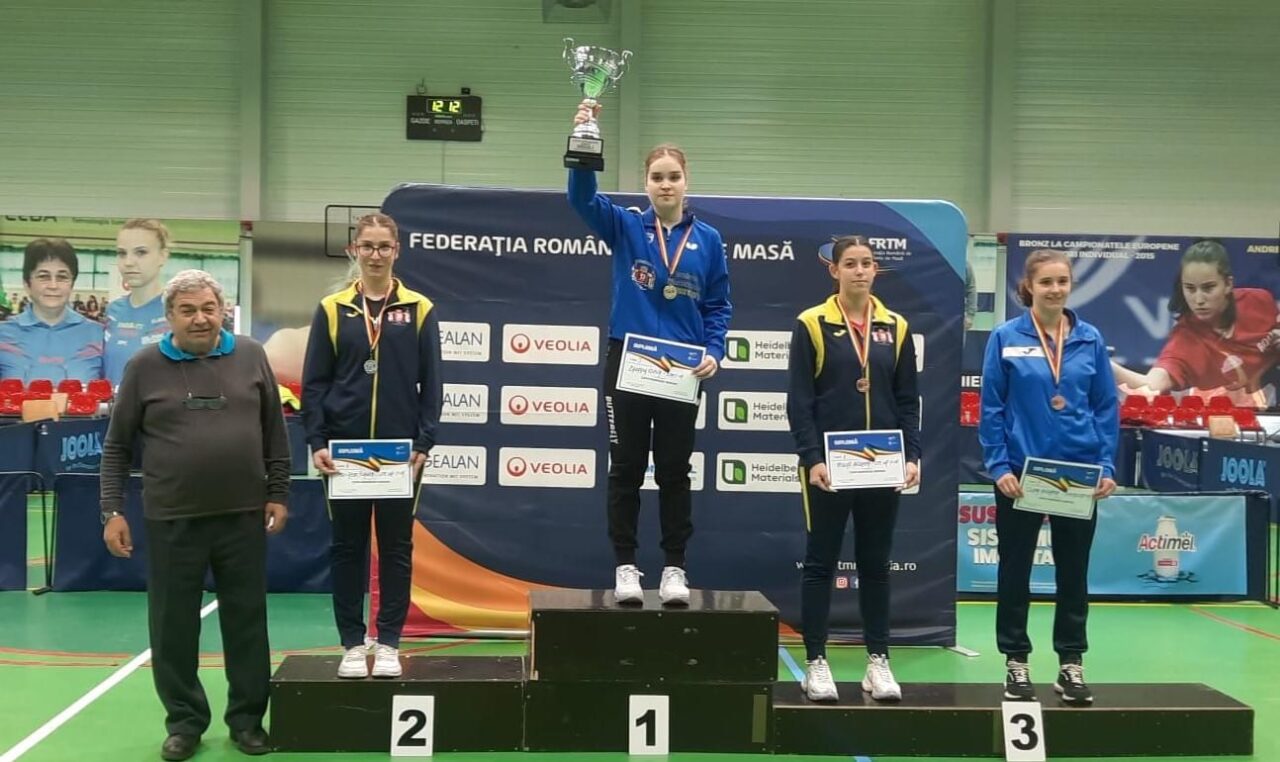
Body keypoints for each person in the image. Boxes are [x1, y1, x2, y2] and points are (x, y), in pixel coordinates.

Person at [99, 270, 290, 761]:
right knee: (173, 628)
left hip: (242, 517)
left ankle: (247, 721)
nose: (200, 318)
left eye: (209, 308)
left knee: (247, 623)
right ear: (169, 317)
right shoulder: (143, 366)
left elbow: (275, 431)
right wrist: (112, 510)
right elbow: (117, 447)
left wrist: (278, 492)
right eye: (187, 310)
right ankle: (185, 722)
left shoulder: (251, 355)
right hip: (172, 519)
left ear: (223, 310)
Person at [567, 101, 732, 607]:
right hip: (628, 363)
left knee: (675, 470)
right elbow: (580, 198)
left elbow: (718, 305)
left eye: (673, 177)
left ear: (686, 182)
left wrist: (714, 350)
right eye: (657, 177)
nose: (665, 185)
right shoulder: (626, 227)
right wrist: (584, 139)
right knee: (626, 468)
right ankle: (626, 567)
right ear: (645, 184)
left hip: (681, 369)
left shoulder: (708, 240)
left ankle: (675, 569)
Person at [302, 212, 442, 680]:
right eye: (368, 246)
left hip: (400, 454)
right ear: (354, 251)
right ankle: (350, 643)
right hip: (345, 454)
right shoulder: (332, 309)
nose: (376, 255)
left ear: (396, 251)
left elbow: (433, 383)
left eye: (384, 247)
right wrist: (317, 441)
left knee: (397, 548)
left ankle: (388, 643)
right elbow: (315, 383)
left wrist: (425, 441)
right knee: (347, 548)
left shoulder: (419, 308)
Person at [979, 248, 1119, 706]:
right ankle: (1016, 662)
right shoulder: (1005, 337)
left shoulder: (1090, 339)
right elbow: (992, 408)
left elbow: (1104, 407)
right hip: (1022, 475)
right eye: (1046, 282)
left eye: (1062, 281)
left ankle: (1070, 664)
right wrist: (999, 466)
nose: (1055, 289)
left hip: (1078, 474)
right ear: (1029, 287)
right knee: (1014, 571)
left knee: (1073, 573)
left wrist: (1107, 465)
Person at [785, 235, 921, 703]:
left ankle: (878, 661)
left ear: (875, 270)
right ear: (834, 271)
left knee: (876, 565)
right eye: (851, 264)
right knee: (820, 563)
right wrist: (813, 458)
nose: (860, 271)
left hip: (881, 465)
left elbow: (907, 400)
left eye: (867, 263)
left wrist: (912, 455)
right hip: (830, 467)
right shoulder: (812, 323)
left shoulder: (896, 327)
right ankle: (816, 662)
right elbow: (800, 401)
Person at [1111, 239, 1279, 406]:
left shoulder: (1259, 301)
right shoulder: (1184, 340)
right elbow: (1150, 387)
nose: (1198, 299)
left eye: (1208, 288)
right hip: (1223, 417)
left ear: (1228, 284)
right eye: (1190, 289)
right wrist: (1105, 363)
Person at [0, 238, 104, 383]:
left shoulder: (98, 334)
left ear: (72, 284)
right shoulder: (3, 334)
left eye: (62, 277)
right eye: (43, 276)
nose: (53, 285)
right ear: (27, 284)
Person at [105, 218, 173, 388]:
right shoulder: (113, 311)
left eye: (141, 252)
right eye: (122, 253)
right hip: (114, 405)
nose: (128, 262)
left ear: (163, 256)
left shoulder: (178, 311)